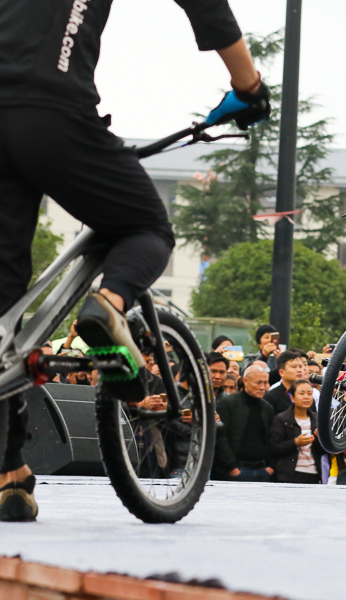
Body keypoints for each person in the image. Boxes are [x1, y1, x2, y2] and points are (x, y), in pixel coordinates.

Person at [0, 0, 270, 523]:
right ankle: (110, 303)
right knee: (147, 226)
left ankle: (9, 472)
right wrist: (248, 85)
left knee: (5, 310)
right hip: (49, 107)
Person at [214, 365, 275, 482]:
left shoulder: (267, 408)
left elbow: (270, 438)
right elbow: (221, 437)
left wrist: (271, 466)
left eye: (265, 383)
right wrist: (231, 467)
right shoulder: (228, 403)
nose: (262, 387)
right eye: (258, 382)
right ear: (245, 381)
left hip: (262, 470)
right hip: (236, 470)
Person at [268, 380, 322, 484]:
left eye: (309, 394)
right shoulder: (282, 419)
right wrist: (295, 443)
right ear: (292, 397)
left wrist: (320, 440)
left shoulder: (317, 419)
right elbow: (274, 448)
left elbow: (322, 452)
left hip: (314, 473)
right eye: (301, 393)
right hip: (289, 474)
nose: (306, 397)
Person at [264, 350, 310, 414]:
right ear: (282, 372)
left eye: (300, 366)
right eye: (294, 367)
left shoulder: (307, 395)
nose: (299, 370)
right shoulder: (271, 397)